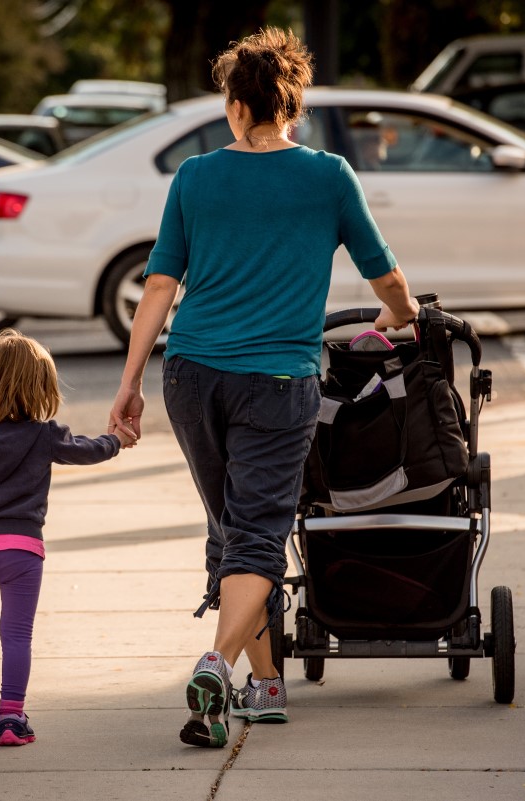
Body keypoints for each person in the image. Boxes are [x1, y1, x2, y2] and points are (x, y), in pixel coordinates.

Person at [108, 27, 419, 749]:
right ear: (292, 105)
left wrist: (129, 383)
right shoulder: (329, 175)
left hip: (191, 374)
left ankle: (265, 684)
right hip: (278, 381)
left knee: (229, 528)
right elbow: (390, 279)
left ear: (235, 106)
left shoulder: (195, 177)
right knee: (254, 534)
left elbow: (159, 285)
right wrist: (398, 317)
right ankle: (218, 666)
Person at [0, 329, 135, 747]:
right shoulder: (44, 435)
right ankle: (11, 716)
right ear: (40, 386)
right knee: (16, 634)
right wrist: (117, 439)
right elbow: (87, 449)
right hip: (23, 550)